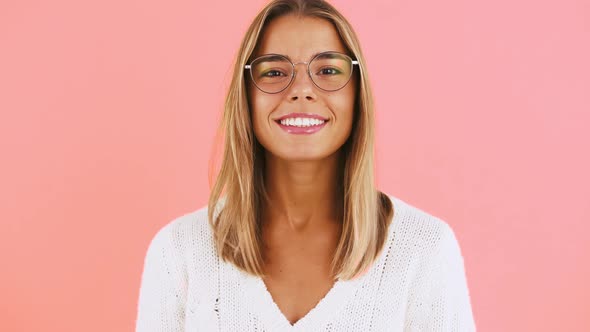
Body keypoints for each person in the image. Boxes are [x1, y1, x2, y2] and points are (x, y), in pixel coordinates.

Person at [135, 0, 476, 330]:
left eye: (328, 70)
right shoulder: (179, 252)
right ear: (246, 96)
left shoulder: (424, 250)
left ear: (357, 94)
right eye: (274, 72)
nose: (301, 90)